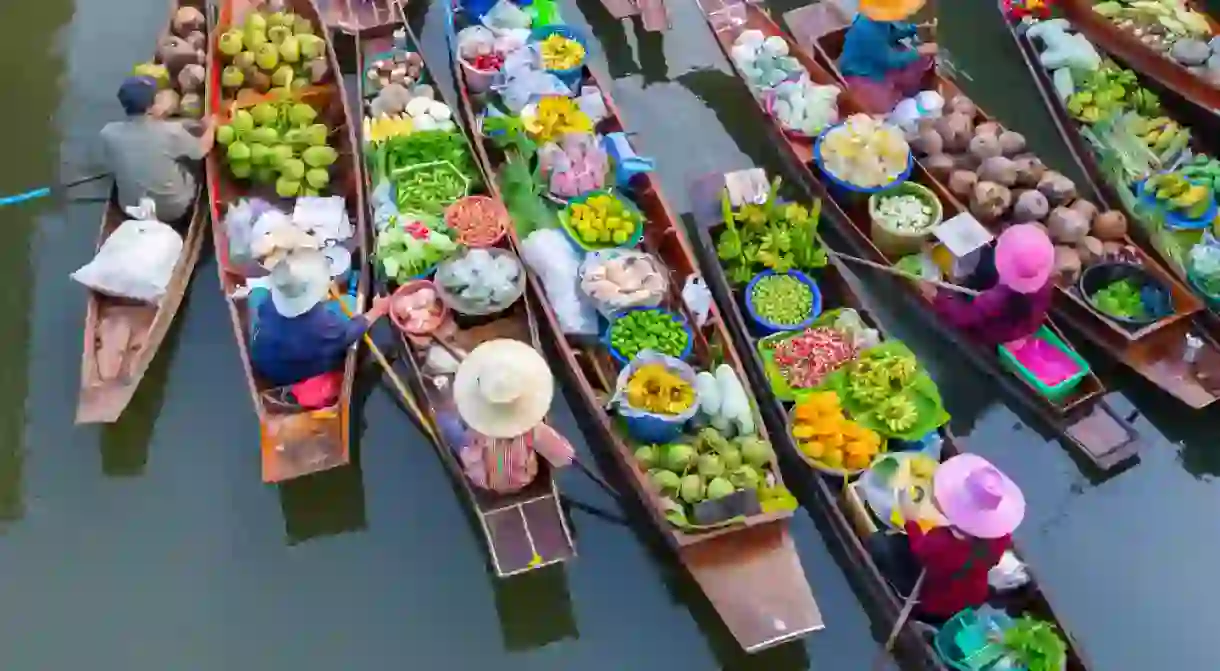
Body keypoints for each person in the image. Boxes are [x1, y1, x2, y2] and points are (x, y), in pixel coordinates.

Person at [877, 454, 1025, 626]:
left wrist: (910, 520)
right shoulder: (1001, 536)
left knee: (880, 543)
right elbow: (991, 561)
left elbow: (920, 551)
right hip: (973, 594)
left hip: (937, 600)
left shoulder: (941, 541)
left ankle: (909, 605)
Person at [249, 248, 390, 389]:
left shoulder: (269, 303)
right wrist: (377, 310)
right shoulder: (321, 324)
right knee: (351, 304)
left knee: (256, 294)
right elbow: (348, 335)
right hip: (293, 373)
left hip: (264, 358)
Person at [450, 339, 575, 493]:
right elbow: (565, 457)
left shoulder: (477, 427)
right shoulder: (533, 429)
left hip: (485, 481)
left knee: (446, 422)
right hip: (521, 480)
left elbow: (471, 448)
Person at [99, 76, 216, 225]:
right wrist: (211, 125)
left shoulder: (108, 133)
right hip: (174, 210)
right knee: (192, 159)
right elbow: (203, 149)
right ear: (151, 106)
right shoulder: (171, 132)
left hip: (131, 208)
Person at [921, 223, 1056, 349]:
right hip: (1026, 324)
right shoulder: (1044, 280)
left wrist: (937, 296)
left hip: (998, 332)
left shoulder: (996, 298)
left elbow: (964, 316)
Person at [838, 0, 937, 114]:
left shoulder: (879, 18)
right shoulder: (867, 28)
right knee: (884, 108)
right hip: (861, 73)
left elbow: (891, 33)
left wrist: (914, 29)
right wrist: (920, 51)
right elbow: (889, 60)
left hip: (878, 63)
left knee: (918, 63)